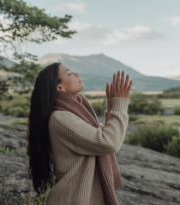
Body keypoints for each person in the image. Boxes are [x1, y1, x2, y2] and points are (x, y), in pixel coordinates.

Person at [26, 62, 132, 205]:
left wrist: (112, 104)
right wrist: (120, 103)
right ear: (59, 87)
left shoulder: (72, 113)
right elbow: (109, 142)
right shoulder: (61, 118)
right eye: (69, 74)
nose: (77, 75)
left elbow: (103, 134)